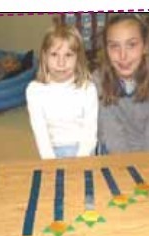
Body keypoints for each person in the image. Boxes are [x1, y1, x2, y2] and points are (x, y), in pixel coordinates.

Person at [93, 14, 149, 154]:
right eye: (114, 46)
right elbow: (111, 137)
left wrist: (147, 167)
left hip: (148, 155)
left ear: (145, 46)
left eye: (131, 45)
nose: (123, 56)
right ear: (106, 50)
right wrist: (130, 169)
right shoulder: (98, 80)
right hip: (112, 154)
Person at [26, 24, 98, 159]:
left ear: (78, 59)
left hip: (83, 152)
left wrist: (79, 162)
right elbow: (41, 133)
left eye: (68, 55)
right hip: (51, 152)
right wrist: (52, 163)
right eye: (54, 55)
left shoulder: (88, 89)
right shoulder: (34, 91)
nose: (61, 63)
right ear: (44, 57)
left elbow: (90, 132)